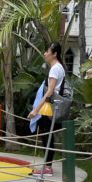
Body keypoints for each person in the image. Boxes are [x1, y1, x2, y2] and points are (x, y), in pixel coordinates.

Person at [26, 42, 66, 175]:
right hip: (52, 106)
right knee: (47, 136)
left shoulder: (55, 69)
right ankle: (47, 166)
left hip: (49, 107)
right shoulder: (59, 67)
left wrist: (36, 110)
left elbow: (49, 92)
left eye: (47, 51)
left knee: (47, 136)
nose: (44, 53)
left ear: (54, 54)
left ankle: (47, 168)